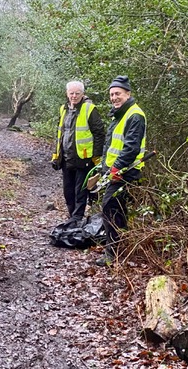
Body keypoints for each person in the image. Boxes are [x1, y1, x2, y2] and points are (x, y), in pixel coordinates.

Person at [97, 75, 147, 267]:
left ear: (128, 94)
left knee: (110, 209)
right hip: (114, 171)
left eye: (118, 93)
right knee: (117, 211)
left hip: (126, 171)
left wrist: (117, 168)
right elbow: (111, 145)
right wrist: (104, 168)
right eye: (111, 94)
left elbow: (131, 147)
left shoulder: (135, 115)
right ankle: (121, 249)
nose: (114, 97)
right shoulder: (119, 114)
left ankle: (114, 254)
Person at [52, 81, 105, 225]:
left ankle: (76, 219)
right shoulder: (63, 109)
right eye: (71, 93)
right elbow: (60, 133)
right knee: (68, 191)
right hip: (66, 158)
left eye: (77, 93)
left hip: (84, 158)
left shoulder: (89, 109)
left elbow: (99, 133)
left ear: (83, 93)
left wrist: (96, 156)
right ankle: (72, 217)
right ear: (67, 93)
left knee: (80, 191)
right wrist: (56, 155)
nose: (74, 96)